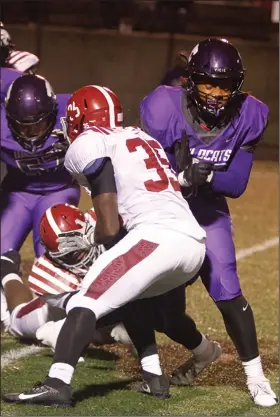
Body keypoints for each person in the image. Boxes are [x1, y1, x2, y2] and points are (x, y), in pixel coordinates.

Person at [2, 84, 207, 406]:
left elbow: (110, 226)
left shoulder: (86, 142)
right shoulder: (141, 137)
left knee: (85, 302)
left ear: (77, 119)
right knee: (132, 300)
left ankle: (58, 384)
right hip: (191, 245)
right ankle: (155, 378)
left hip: (156, 238)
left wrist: (90, 239)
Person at [140, 38, 278, 407]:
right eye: (208, 84)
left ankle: (256, 377)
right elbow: (145, 175)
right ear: (190, 80)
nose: (217, 94)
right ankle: (204, 351)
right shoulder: (162, 107)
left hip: (208, 212)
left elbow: (235, 183)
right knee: (165, 316)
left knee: (227, 290)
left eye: (224, 85)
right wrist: (181, 176)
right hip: (167, 212)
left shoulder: (250, 114)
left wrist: (206, 177)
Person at [0, 74, 80, 331]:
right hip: (18, 191)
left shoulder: (74, 112)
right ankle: (8, 309)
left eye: (37, 125)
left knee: (51, 265)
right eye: (22, 126)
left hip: (58, 190)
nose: (30, 133)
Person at [0, 204, 133, 352]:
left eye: (78, 244)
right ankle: (7, 271)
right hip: (59, 310)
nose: (79, 255)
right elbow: (87, 309)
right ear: (53, 257)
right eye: (69, 254)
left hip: (93, 301)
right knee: (14, 321)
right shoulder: (50, 275)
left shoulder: (106, 224)